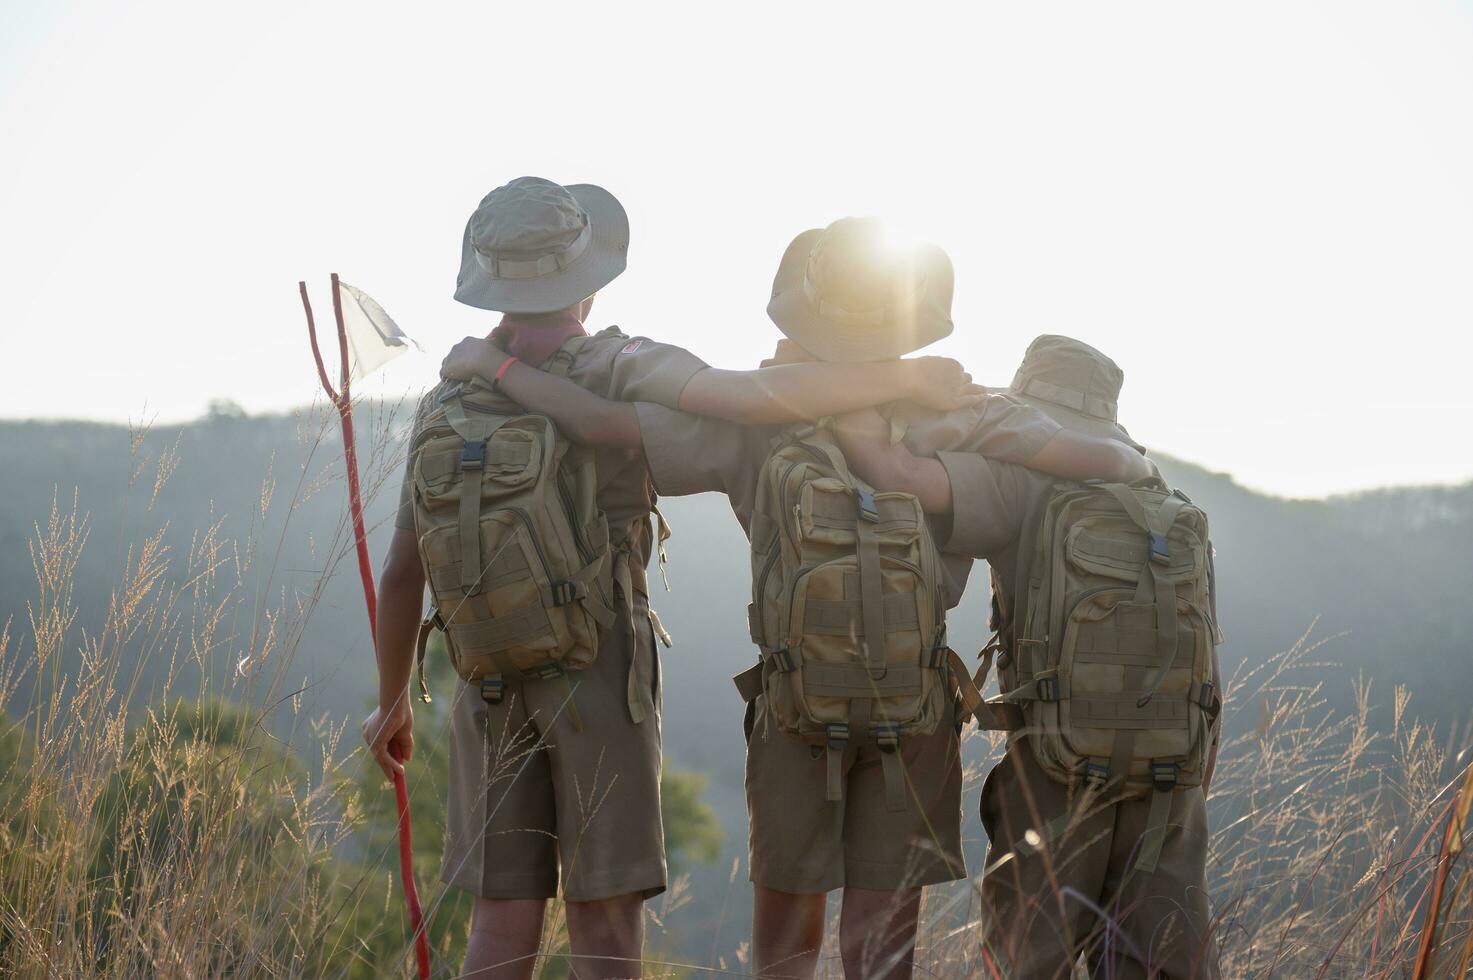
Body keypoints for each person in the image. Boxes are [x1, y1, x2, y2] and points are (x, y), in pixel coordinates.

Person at [439, 218, 1153, 979]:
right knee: (882, 949)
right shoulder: (967, 415)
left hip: (793, 709)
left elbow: (597, 423)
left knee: (785, 947)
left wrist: (493, 367)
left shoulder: (759, 424)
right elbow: (1112, 461)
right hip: (914, 712)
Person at [360, 179, 986, 980]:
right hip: (601, 671)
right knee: (604, 918)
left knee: (500, 917)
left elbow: (402, 570)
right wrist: (899, 383)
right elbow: (747, 397)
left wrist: (390, 701)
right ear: (587, 281)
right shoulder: (622, 363)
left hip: (485, 676)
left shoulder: (451, 396)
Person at [834, 335, 1223, 978]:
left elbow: (895, 473)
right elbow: (1209, 668)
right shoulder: (1171, 508)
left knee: (1029, 961)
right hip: (1170, 783)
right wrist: (1187, 785)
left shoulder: (1018, 483)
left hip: (1054, 773)